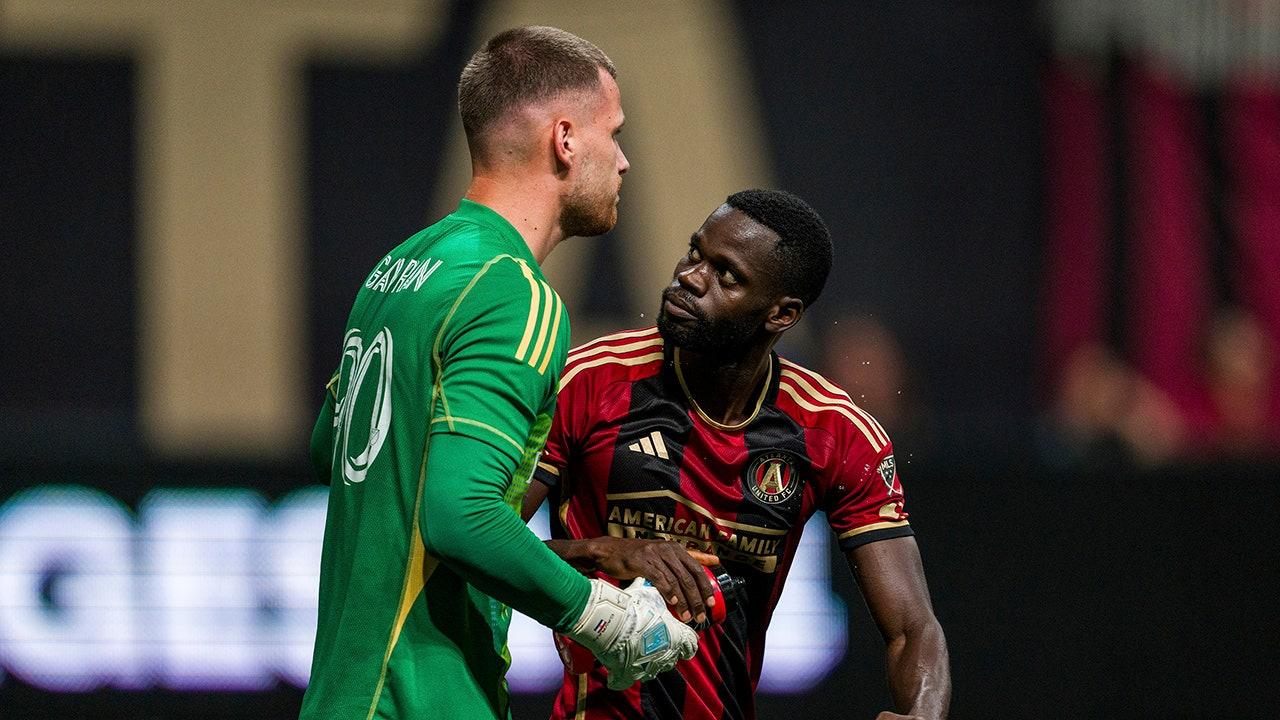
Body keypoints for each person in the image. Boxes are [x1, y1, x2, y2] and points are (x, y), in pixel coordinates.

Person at [300, 27, 697, 720]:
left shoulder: (398, 270)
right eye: (615, 132)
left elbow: (329, 451)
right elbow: (462, 516)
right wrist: (608, 618)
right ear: (566, 139)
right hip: (421, 701)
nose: (626, 160)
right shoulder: (515, 293)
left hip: (344, 696)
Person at [522, 189, 951, 720]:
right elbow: (480, 544)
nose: (689, 277)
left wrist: (923, 714)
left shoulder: (835, 434)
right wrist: (602, 552)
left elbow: (913, 630)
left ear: (782, 313)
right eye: (694, 252)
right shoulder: (587, 382)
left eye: (726, 275)